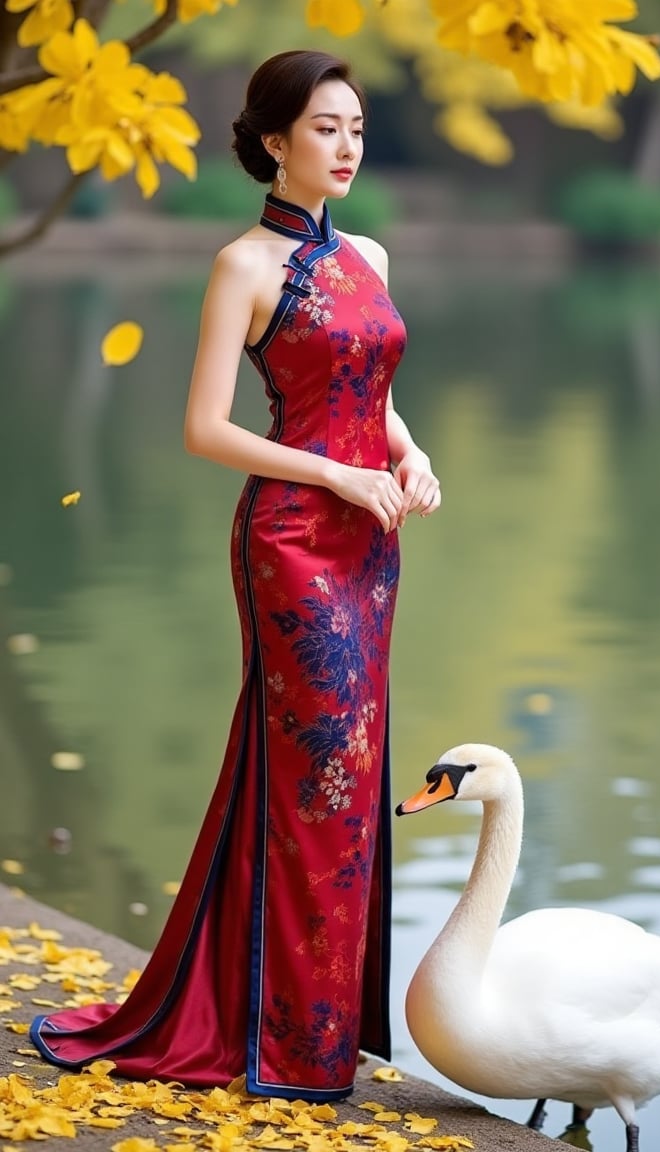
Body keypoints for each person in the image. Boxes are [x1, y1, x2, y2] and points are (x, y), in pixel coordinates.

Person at [30, 49, 440, 1102]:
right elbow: (206, 428)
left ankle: (317, 1026)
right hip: (297, 540)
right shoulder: (244, 266)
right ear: (272, 140)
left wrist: (409, 454)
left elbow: (370, 386)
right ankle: (280, 1040)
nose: (345, 147)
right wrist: (338, 476)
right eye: (324, 129)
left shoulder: (372, 257)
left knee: (349, 773)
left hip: (369, 541)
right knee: (314, 774)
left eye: (355, 128)